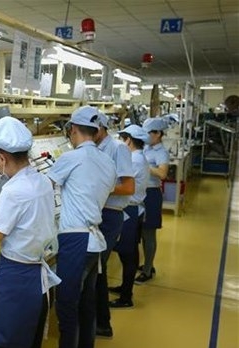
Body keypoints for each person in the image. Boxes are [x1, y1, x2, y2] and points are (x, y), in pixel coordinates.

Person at [0, 116, 59, 348]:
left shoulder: (12, 192)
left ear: (1, 158)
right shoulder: (42, 181)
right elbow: (27, 211)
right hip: (35, 283)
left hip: (15, 282)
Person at [47, 106, 116, 348]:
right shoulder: (107, 161)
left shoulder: (71, 158)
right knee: (87, 305)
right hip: (95, 241)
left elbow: (41, 189)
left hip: (76, 240)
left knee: (66, 307)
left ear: (73, 129)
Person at [93, 113, 135, 338]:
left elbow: (128, 187)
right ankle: (100, 321)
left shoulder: (118, 148)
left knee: (97, 267)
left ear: (101, 128)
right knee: (97, 268)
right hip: (98, 214)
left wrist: (102, 188)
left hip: (110, 216)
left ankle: (102, 323)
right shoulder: (95, 148)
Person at [109, 125, 151, 308]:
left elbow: (123, 186)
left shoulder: (134, 160)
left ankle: (126, 297)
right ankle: (125, 289)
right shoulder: (139, 157)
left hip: (129, 212)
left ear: (128, 140)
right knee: (130, 253)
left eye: (122, 139)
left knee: (128, 255)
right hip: (135, 210)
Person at [136, 117, 170, 284]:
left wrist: (143, 165)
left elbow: (163, 174)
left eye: (148, 133)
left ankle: (148, 270)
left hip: (151, 194)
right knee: (141, 232)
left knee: (149, 233)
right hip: (140, 193)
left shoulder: (161, 152)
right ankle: (147, 263)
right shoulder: (145, 148)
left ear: (157, 134)